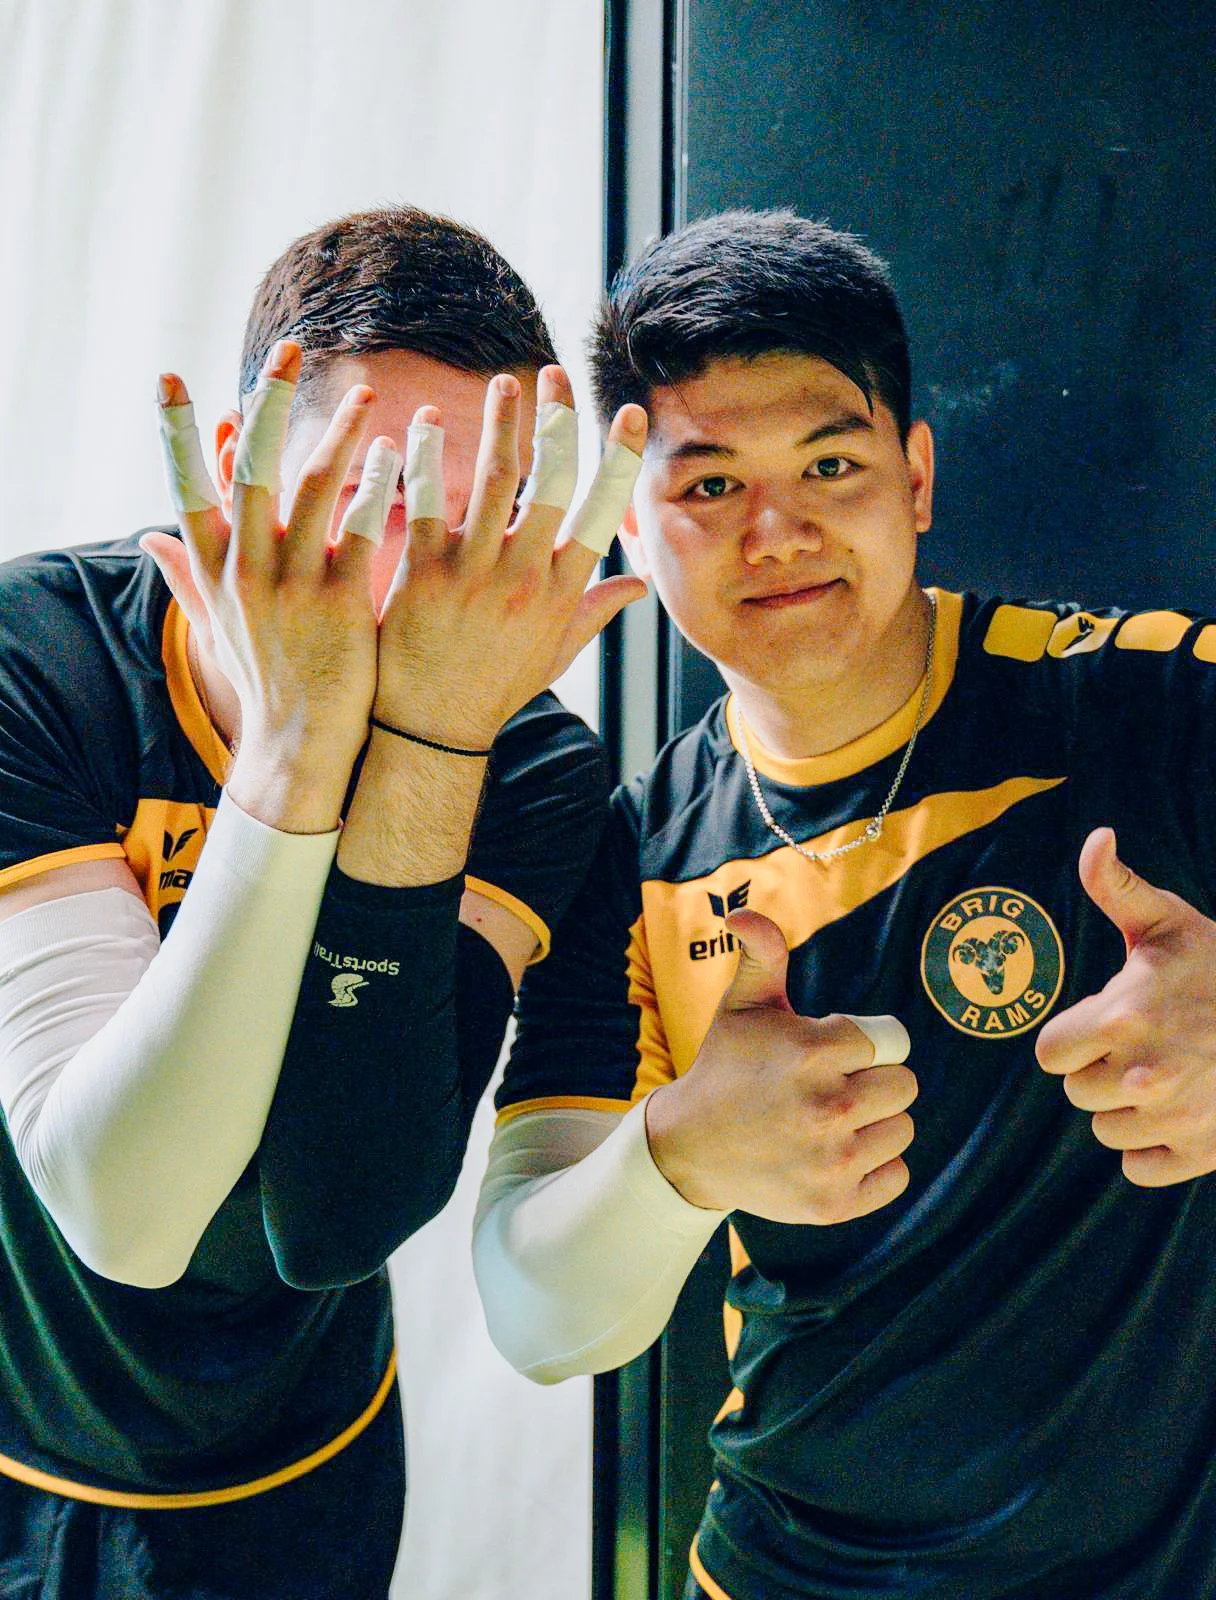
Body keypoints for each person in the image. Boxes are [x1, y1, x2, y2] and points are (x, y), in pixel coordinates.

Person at [474, 208, 1216, 1600]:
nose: (779, 531)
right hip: (782, 1567)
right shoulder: (625, 860)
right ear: (631, 523)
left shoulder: (1146, 702)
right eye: (707, 489)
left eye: (832, 462)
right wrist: (676, 1158)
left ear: (917, 477)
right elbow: (535, 1315)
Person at [0, 204, 645, 1599]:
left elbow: (336, 1218)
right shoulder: (37, 659)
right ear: (237, 468)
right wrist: (293, 755)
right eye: (372, 489)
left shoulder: (529, 767)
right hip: (20, 1440)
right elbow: (121, 1209)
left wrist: (428, 755)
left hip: (306, 1471)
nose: (420, 574)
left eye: (476, 517)